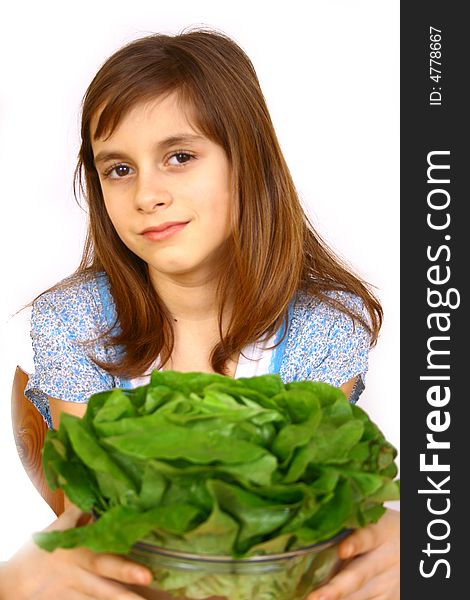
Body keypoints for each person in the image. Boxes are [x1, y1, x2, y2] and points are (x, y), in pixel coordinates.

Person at [1, 28, 399, 599]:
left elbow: (293, 515)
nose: (147, 195)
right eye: (119, 169)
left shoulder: (325, 323)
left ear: (248, 161)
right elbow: (94, 519)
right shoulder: (74, 320)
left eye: (180, 157)